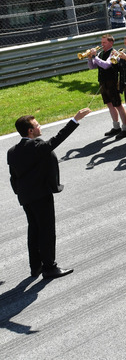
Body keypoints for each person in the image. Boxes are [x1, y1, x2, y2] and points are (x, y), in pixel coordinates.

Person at [8, 108, 92, 279]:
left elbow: (13, 177)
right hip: (40, 195)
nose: (40, 127)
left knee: (33, 230)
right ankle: (49, 267)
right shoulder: (37, 146)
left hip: (25, 197)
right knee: (46, 231)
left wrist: (20, 194)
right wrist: (75, 119)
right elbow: (58, 138)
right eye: (37, 125)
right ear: (30, 131)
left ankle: (35, 266)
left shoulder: (12, 151)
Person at [87, 34, 126, 138]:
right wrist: (89, 58)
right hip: (103, 82)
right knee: (110, 104)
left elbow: (106, 65)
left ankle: (125, 128)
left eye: (104, 42)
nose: (102, 44)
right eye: (101, 42)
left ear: (111, 43)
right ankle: (116, 127)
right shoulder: (101, 53)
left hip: (112, 82)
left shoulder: (113, 53)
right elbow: (92, 67)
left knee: (118, 105)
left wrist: (94, 57)